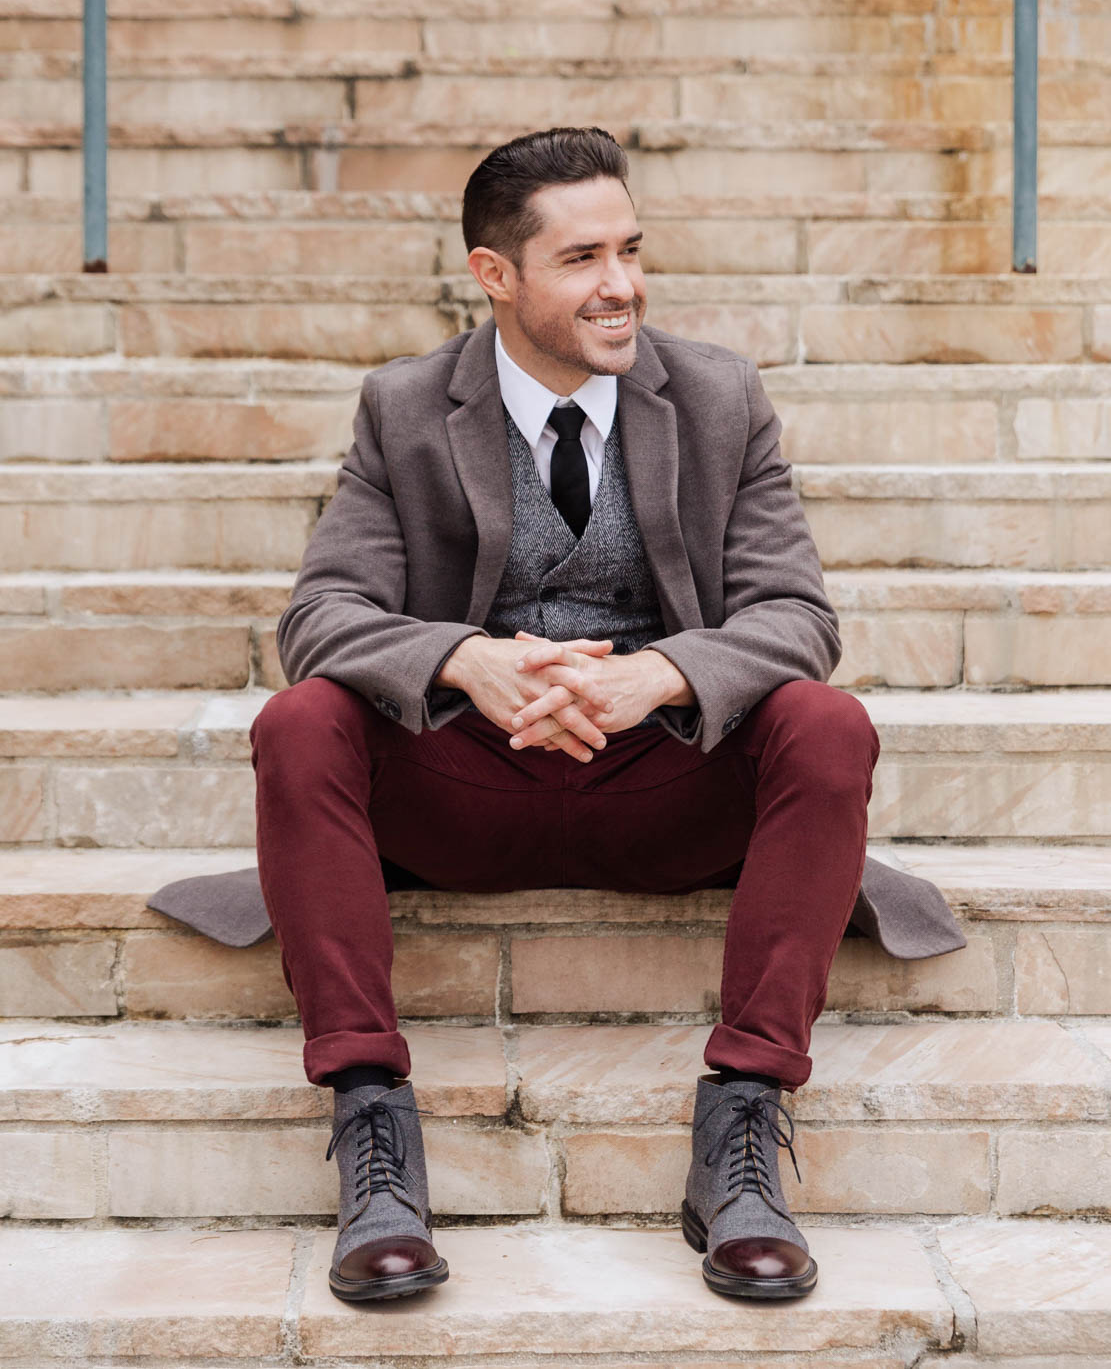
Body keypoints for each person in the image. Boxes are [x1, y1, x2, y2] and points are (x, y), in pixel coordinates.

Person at [148, 125, 964, 1306]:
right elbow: (321, 615)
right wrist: (464, 658)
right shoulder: (407, 407)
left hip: (662, 786)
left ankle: (740, 1136)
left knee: (826, 724)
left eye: (630, 250)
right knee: (302, 721)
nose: (621, 284)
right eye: (582, 258)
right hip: (470, 787)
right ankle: (374, 1131)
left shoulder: (721, 396)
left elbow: (796, 614)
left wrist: (665, 675)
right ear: (497, 276)